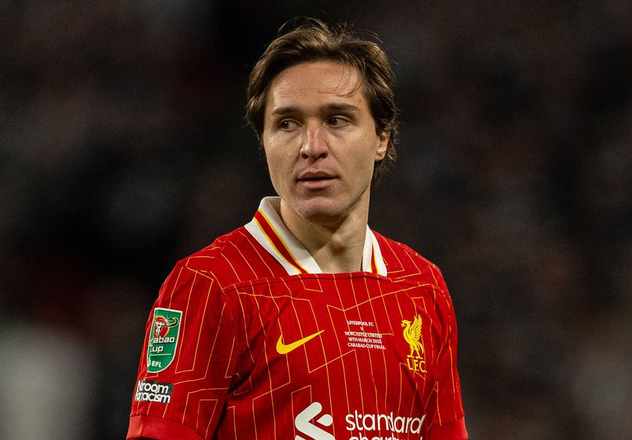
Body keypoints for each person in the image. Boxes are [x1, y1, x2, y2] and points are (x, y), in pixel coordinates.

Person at [126, 18, 467, 440]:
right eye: (287, 123)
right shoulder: (211, 284)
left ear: (382, 137)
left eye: (337, 120)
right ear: (264, 141)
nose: (311, 147)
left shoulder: (421, 287)